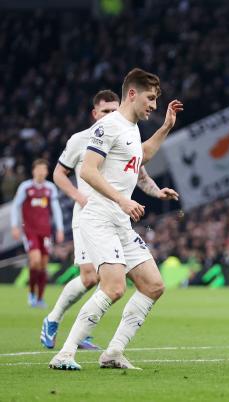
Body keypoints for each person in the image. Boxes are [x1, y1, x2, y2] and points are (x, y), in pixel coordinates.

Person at [49, 68, 183, 370]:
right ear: (132, 94)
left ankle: (113, 353)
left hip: (119, 219)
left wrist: (165, 128)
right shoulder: (108, 126)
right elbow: (88, 171)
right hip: (98, 217)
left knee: (153, 285)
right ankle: (65, 354)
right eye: (150, 99)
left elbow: (140, 157)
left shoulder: (132, 128)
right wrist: (123, 199)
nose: (153, 105)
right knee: (114, 287)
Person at [11, 159, 65, 308]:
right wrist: (15, 226)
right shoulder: (26, 187)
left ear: (47, 172)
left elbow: (56, 209)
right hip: (29, 230)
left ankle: (40, 298)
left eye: (44, 169)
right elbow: (16, 206)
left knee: (43, 265)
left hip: (45, 231)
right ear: (34, 171)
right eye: (39, 169)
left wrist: (59, 228)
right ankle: (31, 293)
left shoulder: (50, 188)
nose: (41, 172)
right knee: (34, 261)